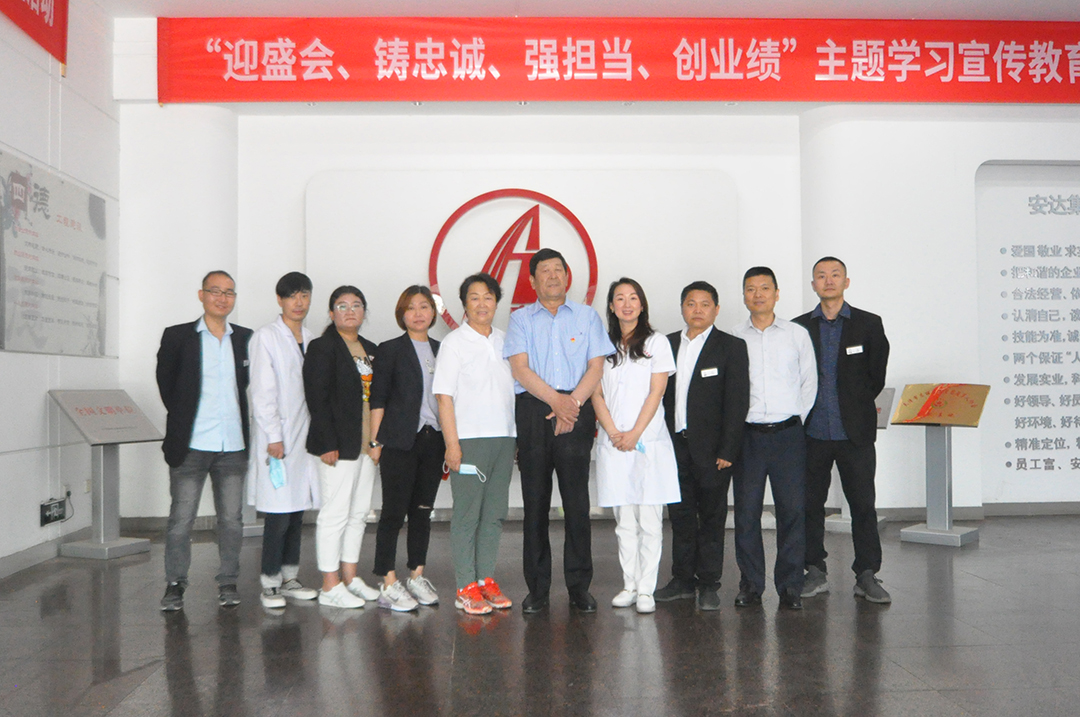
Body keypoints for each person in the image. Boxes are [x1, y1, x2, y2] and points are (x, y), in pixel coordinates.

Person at [504, 248, 615, 614]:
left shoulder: (587, 316)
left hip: (577, 408)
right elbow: (520, 369)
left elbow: (596, 366)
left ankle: (579, 587)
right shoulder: (520, 319)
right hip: (535, 411)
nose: (552, 276)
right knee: (534, 504)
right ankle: (537, 589)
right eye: (544, 271)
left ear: (567, 276)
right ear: (532, 280)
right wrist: (557, 401)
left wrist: (572, 404)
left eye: (558, 270)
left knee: (577, 504)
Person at [794, 257, 892, 604]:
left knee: (863, 505)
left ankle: (866, 574)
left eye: (835, 275)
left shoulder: (869, 324)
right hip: (812, 432)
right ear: (813, 285)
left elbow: (876, 376)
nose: (829, 280)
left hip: (855, 432)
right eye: (821, 276)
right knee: (810, 505)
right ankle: (814, 570)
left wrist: (853, 406)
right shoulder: (799, 328)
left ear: (846, 282)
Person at [157, 270, 252, 611]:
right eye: (215, 291)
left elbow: (247, 384)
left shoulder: (245, 338)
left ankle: (228, 581)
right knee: (181, 520)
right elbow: (166, 384)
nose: (222, 298)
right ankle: (175, 584)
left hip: (233, 445)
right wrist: (185, 419)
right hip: (191, 444)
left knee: (232, 520)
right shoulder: (178, 336)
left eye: (229, 292)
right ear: (201, 295)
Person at [656, 281, 750, 611]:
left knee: (711, 517)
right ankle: (682, 580)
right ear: (682, 308)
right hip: (674, 445)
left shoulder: (731, 347)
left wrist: (728, 449)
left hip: (713, 452)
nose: (698, 310)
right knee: (680, 515)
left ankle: (709, 583)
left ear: (716, 309)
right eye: (691, 304)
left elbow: (737, 402)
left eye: (705, 304)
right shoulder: (666, 344)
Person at [591, 278, 680, 615]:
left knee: (650, 521)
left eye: (633, 298)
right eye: (620, 298)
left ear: (642, 305)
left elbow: (657, 392)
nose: (626, 304)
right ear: (611, 306)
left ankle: (646, 589)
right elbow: (596, 393)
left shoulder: (657, 342)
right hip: (614, 443)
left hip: (648, 443)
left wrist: (635, 433)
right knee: (624, 521)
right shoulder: (602, 345)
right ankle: (629, 585)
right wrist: (614, 432)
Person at [731, 267, 817, 610]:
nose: (758, 295)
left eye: (765, 288)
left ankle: (791, 586)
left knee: (792, 511)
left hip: (787, 436)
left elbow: (809, 384)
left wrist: (795, 420)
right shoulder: (734, 337)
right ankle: (751, 585)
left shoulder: (796, 335)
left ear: (777, 294)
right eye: (751, 289)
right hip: (748, 436)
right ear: (744, 296)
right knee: (746, 513)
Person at [433, 273, 517, 616]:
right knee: (468, 516)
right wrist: (452, 445)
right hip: (468, 440)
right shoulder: (454, 343)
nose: (482, 304)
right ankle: (465, 585)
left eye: (488, 297)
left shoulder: (506, 341)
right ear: (464, 304)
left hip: (504, 438)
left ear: (496, 302)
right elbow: (444, 397)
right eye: (474, 297)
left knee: (494, 515)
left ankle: (485, 580)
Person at [303, 285, 381, 609]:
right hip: (337, 445)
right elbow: (316, 398)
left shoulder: (371, 349)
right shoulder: (322, 347)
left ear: (364, 312)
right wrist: (326, 443)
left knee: (358, 513)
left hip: (366, 446)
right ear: (331, 313)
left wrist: (376, 441)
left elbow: (379, 399)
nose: (350, 311)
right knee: (334, 514)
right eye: (342, 305)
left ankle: (350, 578)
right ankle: (329, 584)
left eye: (356, 305)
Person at [369, 285, 445, 612]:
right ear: (402, 314)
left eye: (424, 306)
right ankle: (388, 581)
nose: (418, 313)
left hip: (433, 440)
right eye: (411, 307)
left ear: (433, 312)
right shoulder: (390, 349)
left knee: (423, 511)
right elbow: (378, 399)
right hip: (399, 441)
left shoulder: (443, 349)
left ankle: (416, 575)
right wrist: (375, 442)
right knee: (393, 512)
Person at [247, 272, 320, 609]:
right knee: (277, 514)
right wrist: (274, 436)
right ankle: (270, 582)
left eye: (304, 295)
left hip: (304, 438)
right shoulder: (266, 337)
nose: (299, 302)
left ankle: (290, 578)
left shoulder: (312, 338)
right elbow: (263, 392)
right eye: (292, 296)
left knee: (295, 511)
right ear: (280, 300)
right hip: (277, 438)